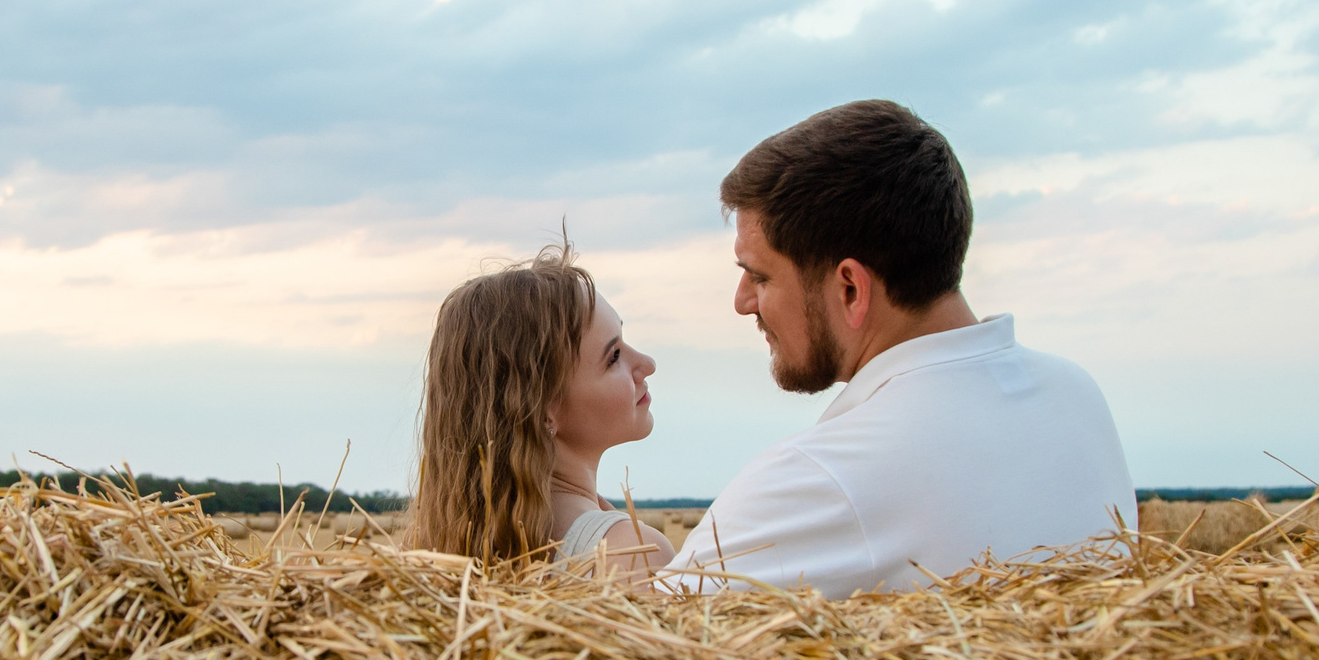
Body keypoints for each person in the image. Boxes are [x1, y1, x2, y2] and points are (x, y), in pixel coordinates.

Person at [661, 100, 1135, 597]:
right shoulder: (1076, 394)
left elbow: (657, 635)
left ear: (850, 289)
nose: (742, 303)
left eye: (759, 276)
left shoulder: (823, 478)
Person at [409, 246, 675, 581]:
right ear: (544, 410)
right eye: (614, 356)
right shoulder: (634, 555)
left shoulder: (442, 558)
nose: (646, 364)